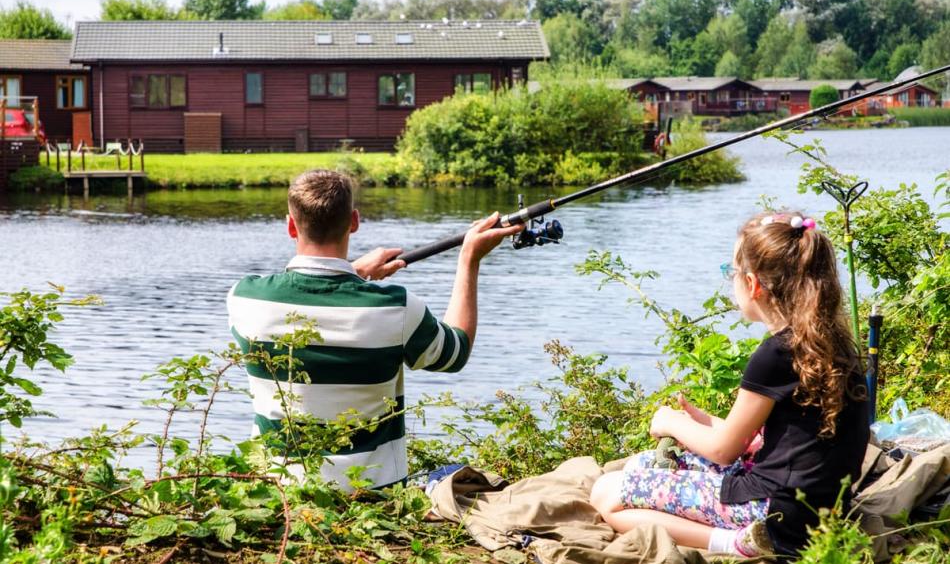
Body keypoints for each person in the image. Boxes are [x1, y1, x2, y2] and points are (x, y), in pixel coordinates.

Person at [590, 212, 869, 558]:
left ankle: (737, 544)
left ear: (752, 284)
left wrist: (672, 422)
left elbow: (724, 450)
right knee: (640, 466)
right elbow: (782, 441)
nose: (731, 280)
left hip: (774, 513)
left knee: (606, 493)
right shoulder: (831, 342)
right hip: (821, 508)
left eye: (732, 273)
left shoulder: (775, 355)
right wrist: (704, 423)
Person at [227, 170, 522, 490]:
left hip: (276, 493)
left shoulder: (245, 298)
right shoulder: (396, 307)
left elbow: (319, 295)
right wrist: (469, 258)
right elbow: (455, 351)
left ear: (290, 225)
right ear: (353, 221)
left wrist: (356, 272)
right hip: (372, 496)